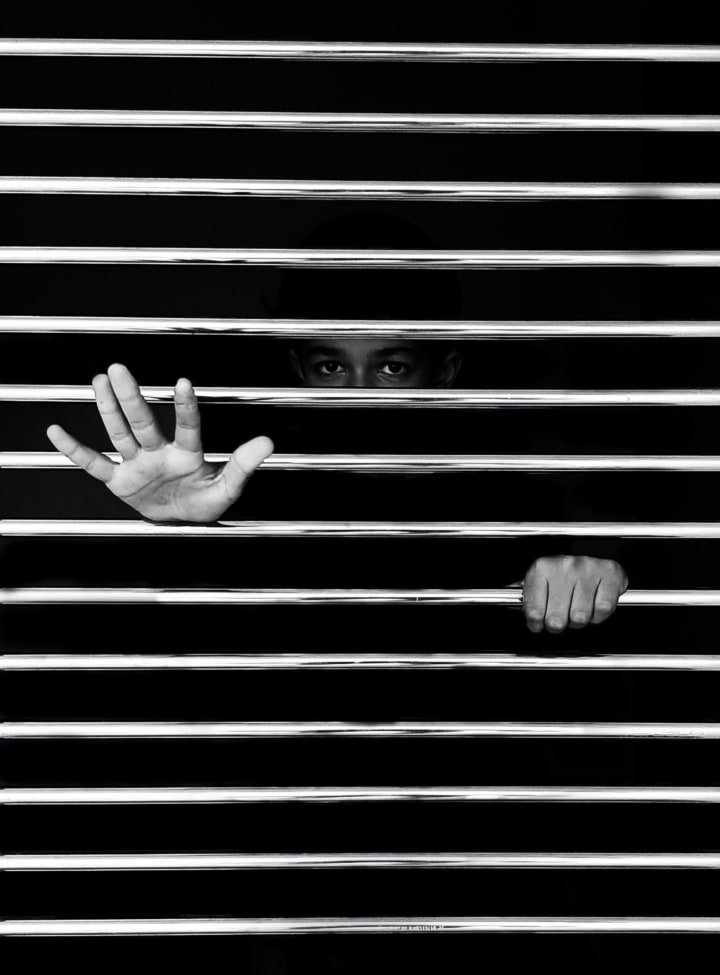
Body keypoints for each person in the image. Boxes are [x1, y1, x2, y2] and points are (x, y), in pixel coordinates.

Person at [46, 212, 628, 634]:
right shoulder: (243, 489)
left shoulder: (508, 496)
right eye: (331, 366)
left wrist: (590, 571)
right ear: (298, 368)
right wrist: (176, 528)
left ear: (445, 371)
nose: (359, 395)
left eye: (393, 368)